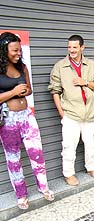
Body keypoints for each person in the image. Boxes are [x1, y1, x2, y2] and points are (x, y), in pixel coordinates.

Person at [0, 32, 54, 209]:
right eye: (14, 51)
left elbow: (29, 89)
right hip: (8, 120)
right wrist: (13, 92)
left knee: (37, 154)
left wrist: (25, 91)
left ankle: (44, 187)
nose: (18, 53)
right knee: (13, 159)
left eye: (19, 50)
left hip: (27, 116)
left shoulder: (22, 67)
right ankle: (21, 195)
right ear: (3, 51)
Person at [49, 35, 94, 186]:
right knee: (69, 145)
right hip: (71, 114)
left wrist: (84, 82)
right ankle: (68, 173)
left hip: (90, 113)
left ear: (82, 47)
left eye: (75, 47)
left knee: (91, 143)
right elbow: (55, 91)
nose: (71, 50)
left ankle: (91, 168)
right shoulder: (60, 66)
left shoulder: (91, 65)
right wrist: (61, 112)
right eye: (69, 47)